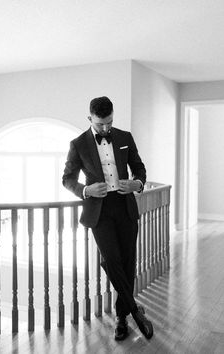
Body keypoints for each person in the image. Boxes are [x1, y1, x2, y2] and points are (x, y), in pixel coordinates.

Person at [62, 96, 153, 341]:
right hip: (99, 211)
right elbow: (67, 178)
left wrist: (138, 183)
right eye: (101, 124)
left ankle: (122, 317)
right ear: (90, 118)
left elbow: (139, 167)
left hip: (125, 206)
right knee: (111, 259)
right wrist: (85, 190)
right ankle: (135, 311)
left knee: (127, 262)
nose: (106, 128)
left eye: (109, 122)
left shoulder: (125, 137)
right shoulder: (78, 144)